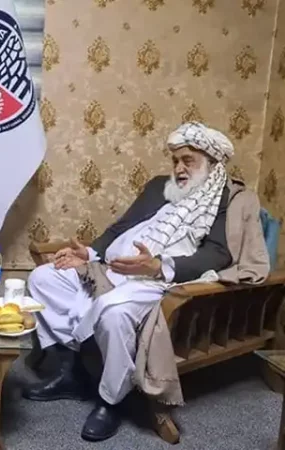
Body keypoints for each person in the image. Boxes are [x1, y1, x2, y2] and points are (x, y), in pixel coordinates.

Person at [22, 122, 254, 442]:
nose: (179, 168)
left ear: (212, 163)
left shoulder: (230, 200)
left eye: (188, 160)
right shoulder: (160, 186)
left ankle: (110, 400)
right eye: (175, 160)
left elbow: (218, 253)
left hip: (160, 281)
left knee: (112, 310)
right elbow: (122, 227)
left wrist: (158, 265)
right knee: (43, 278)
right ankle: (69, 371)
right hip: (113, 268)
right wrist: (89, 252)